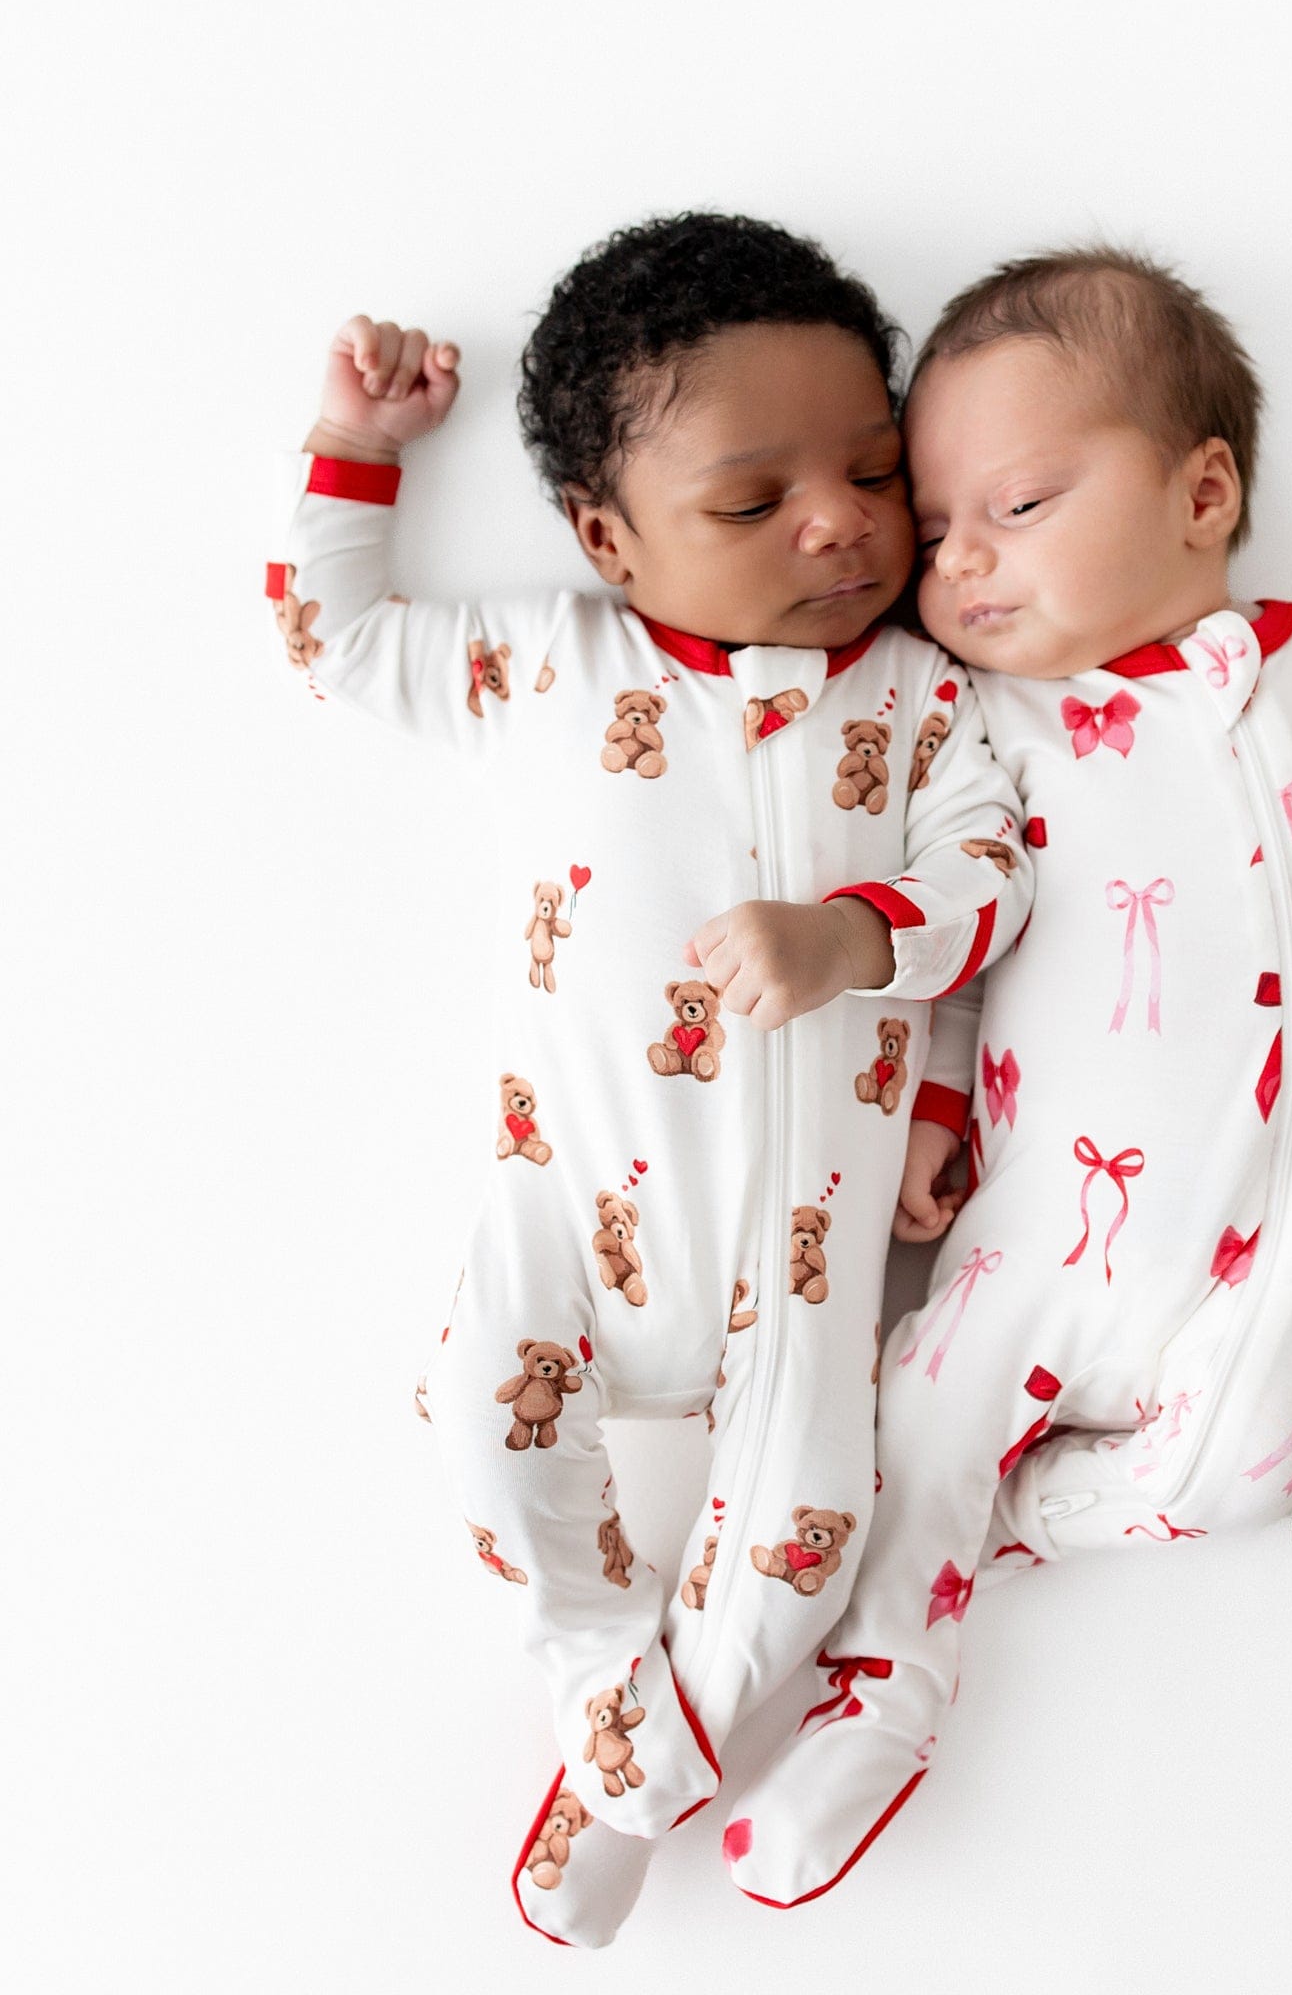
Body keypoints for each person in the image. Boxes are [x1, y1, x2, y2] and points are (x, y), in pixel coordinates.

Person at [723, 245, 1292, 1908]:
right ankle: (883, 1697)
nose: (961, 561)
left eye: (1019, 506)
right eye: (939, 533)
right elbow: (965, 936)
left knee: (1271, 1471)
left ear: (1203, 493)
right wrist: (934, 1110)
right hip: (1035, 1236)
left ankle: (1026, 1524)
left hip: (1290, 1252)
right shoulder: (987, 735)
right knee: (916, 1424)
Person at [263, 213, 1031, 1946]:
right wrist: (358, 448)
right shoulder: (551, 666)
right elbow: (335, 641)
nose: (838, 523)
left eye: (872, 472)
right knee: (478, 1422)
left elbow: (995, 881)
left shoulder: (922, 701)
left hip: (807, 1267)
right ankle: (612, 1688)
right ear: (608, 539)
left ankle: (621, 1787)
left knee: (809, 1537)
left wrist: (861, 943)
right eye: (753, 505)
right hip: (572, 1214)